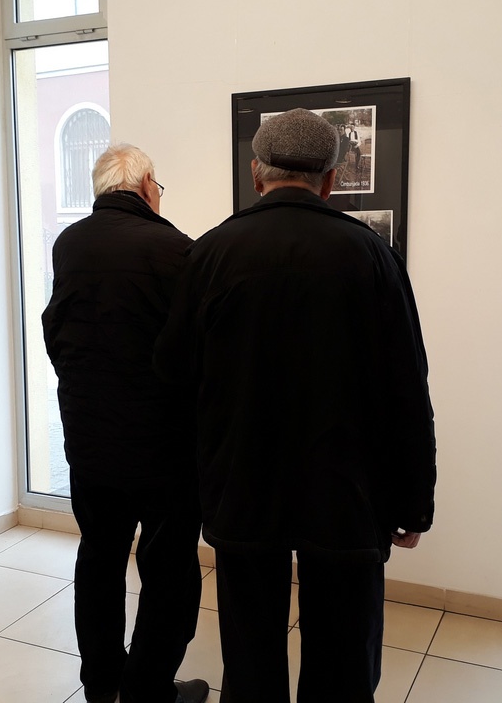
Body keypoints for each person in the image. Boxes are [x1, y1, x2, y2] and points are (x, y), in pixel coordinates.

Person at [154, 109, 436, 703]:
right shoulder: (372, 255)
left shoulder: (212, 253)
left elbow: (174, 379)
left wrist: (189, 489)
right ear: (330, 180)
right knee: (344, 656)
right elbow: (407, 388)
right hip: (347, 491)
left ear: (256, 174)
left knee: (249, 651)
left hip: (241, 485)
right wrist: (414, 500)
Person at [41, 143, 209, 703]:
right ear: (144, 185)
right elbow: (192, 351)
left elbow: (56, 330)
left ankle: (101, 682)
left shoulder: (69, 244)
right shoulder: (175, 248)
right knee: (168, 570)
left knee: (100, 557)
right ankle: (147, 690)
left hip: (90, 440)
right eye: (158, 186)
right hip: (163, 448)